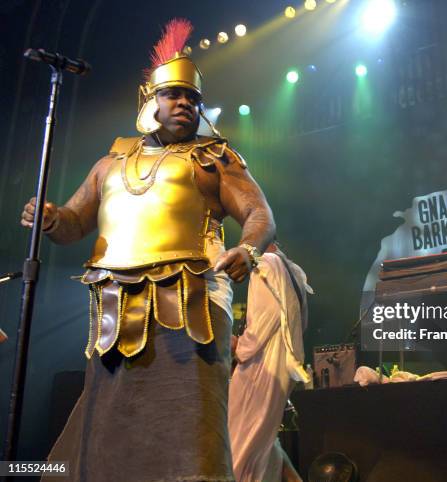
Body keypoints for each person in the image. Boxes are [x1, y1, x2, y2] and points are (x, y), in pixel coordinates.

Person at [20, 19, 274, 482]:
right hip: (118, 305)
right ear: (149, 100)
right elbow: (76, 221)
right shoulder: (110, 163)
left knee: (190, 426)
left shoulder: (215, 157)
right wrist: (53, 219)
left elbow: (260, 215)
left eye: (192, 97)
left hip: (192, 302)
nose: (184, 104)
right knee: (112, 425)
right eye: (173, 94)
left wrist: (248, 250)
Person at [228, 243, 312, 482]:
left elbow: (264, 320)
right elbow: (299, 324)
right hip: (283, 363)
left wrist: (238, 346)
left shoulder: (264, 262)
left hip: (262, 366)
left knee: (238, 445)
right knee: (263, 442)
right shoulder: (292, 270)